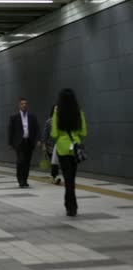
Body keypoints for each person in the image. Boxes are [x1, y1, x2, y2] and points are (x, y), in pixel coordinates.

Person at [51, 89, 87, 217]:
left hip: (62, 149)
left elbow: (54, 134)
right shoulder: (79, 113)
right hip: (75, 149)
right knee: (72, 178)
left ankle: (70, 206)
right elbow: (83, 133)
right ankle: (72, 206)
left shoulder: (58, 113)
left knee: (68, 179)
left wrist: (55, 116)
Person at [8, 98, 40, 188]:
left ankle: (25, 180)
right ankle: (20, 180)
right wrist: (10, 143)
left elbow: (37, 129)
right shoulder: (14, 117)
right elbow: (11, 131)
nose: (24, 105)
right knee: (20, 161)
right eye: (22, 104)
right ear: (19, 105)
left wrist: (38, 140)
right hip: (19, 143)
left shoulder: (32, 117)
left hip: (29, 142)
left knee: (27, 162)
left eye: (25, 103)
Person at [43, 106, 61, 185]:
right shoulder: (49, 121)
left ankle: (54, 176)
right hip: (50, 145)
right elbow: (45, 133)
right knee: (53, 161)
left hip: (60, 144)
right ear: (53, 110)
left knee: (56, 161)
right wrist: (44, 144)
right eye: (55, 108)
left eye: (58, 109)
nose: (57, 110)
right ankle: (55, 177)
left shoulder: (62, 120)